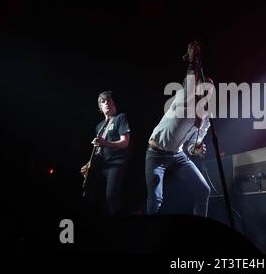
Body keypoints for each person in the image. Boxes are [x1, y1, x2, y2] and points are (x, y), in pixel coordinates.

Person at [145, 41, 213, 216]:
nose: (206, 91)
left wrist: (196, 149)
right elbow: (191, 77)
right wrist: (193, 60)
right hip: (156, 153)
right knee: (156, 199)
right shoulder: (185, 96)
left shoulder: (206, 119)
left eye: (210, 90)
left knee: (203, 190)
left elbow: (192, 146)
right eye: (204, 87)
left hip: (177, 155)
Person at [81, 91, 131, 217]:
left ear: (114, 104)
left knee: (111, 196)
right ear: (100, 108)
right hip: (101, 165)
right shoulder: (99, 126)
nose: (106, 103)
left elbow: (125, 143)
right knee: (92, 198)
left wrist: (105, 143)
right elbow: (98, 150)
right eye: (103, 101)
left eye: (109, 100)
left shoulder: (121, 118)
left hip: (116, 163)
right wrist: (88, 164)